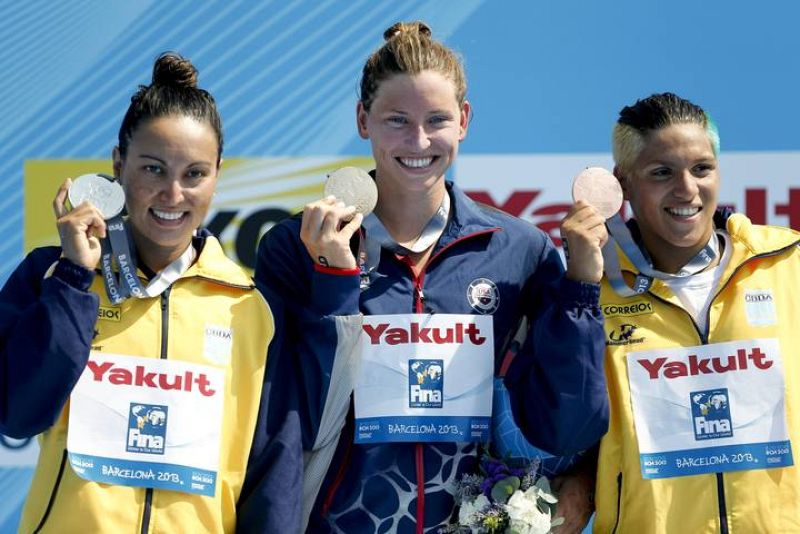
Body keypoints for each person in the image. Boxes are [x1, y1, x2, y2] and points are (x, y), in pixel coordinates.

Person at [256, 21, 609, 533]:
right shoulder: (295, 248)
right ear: (363, 119)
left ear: (464, 120)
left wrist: (579, 288)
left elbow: (570, 421)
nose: (418, 141)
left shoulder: (519, 250)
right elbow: (285, 423)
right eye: (397, 120)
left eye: (436, 120)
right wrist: (334, 281)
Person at [0, 53, 299, 533]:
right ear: (118, 164)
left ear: (219, 173)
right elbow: (18, 414)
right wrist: (76, 277)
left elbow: (272, 473)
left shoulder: (248, 306)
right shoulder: (52, 275)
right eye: (154, 169)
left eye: (195, 174)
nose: (173, 194)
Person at [594, 92, 800, 532]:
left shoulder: (788, 264)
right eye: (661, 173)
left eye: (701, 168)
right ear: (623, 183)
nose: (687, 189)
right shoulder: (593, 291)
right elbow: (567, 431)